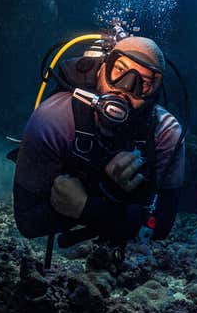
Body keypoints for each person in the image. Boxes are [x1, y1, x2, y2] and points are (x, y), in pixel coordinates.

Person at [12, 36, 184, 247]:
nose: (126, 88)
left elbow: (162, 227)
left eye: (145, 82)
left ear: (154, 92)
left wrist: (87, 207)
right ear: (102, 69)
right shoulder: (54, 119)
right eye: (119, 70)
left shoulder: (166, 133)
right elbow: (27, 223)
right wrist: (112, 207)